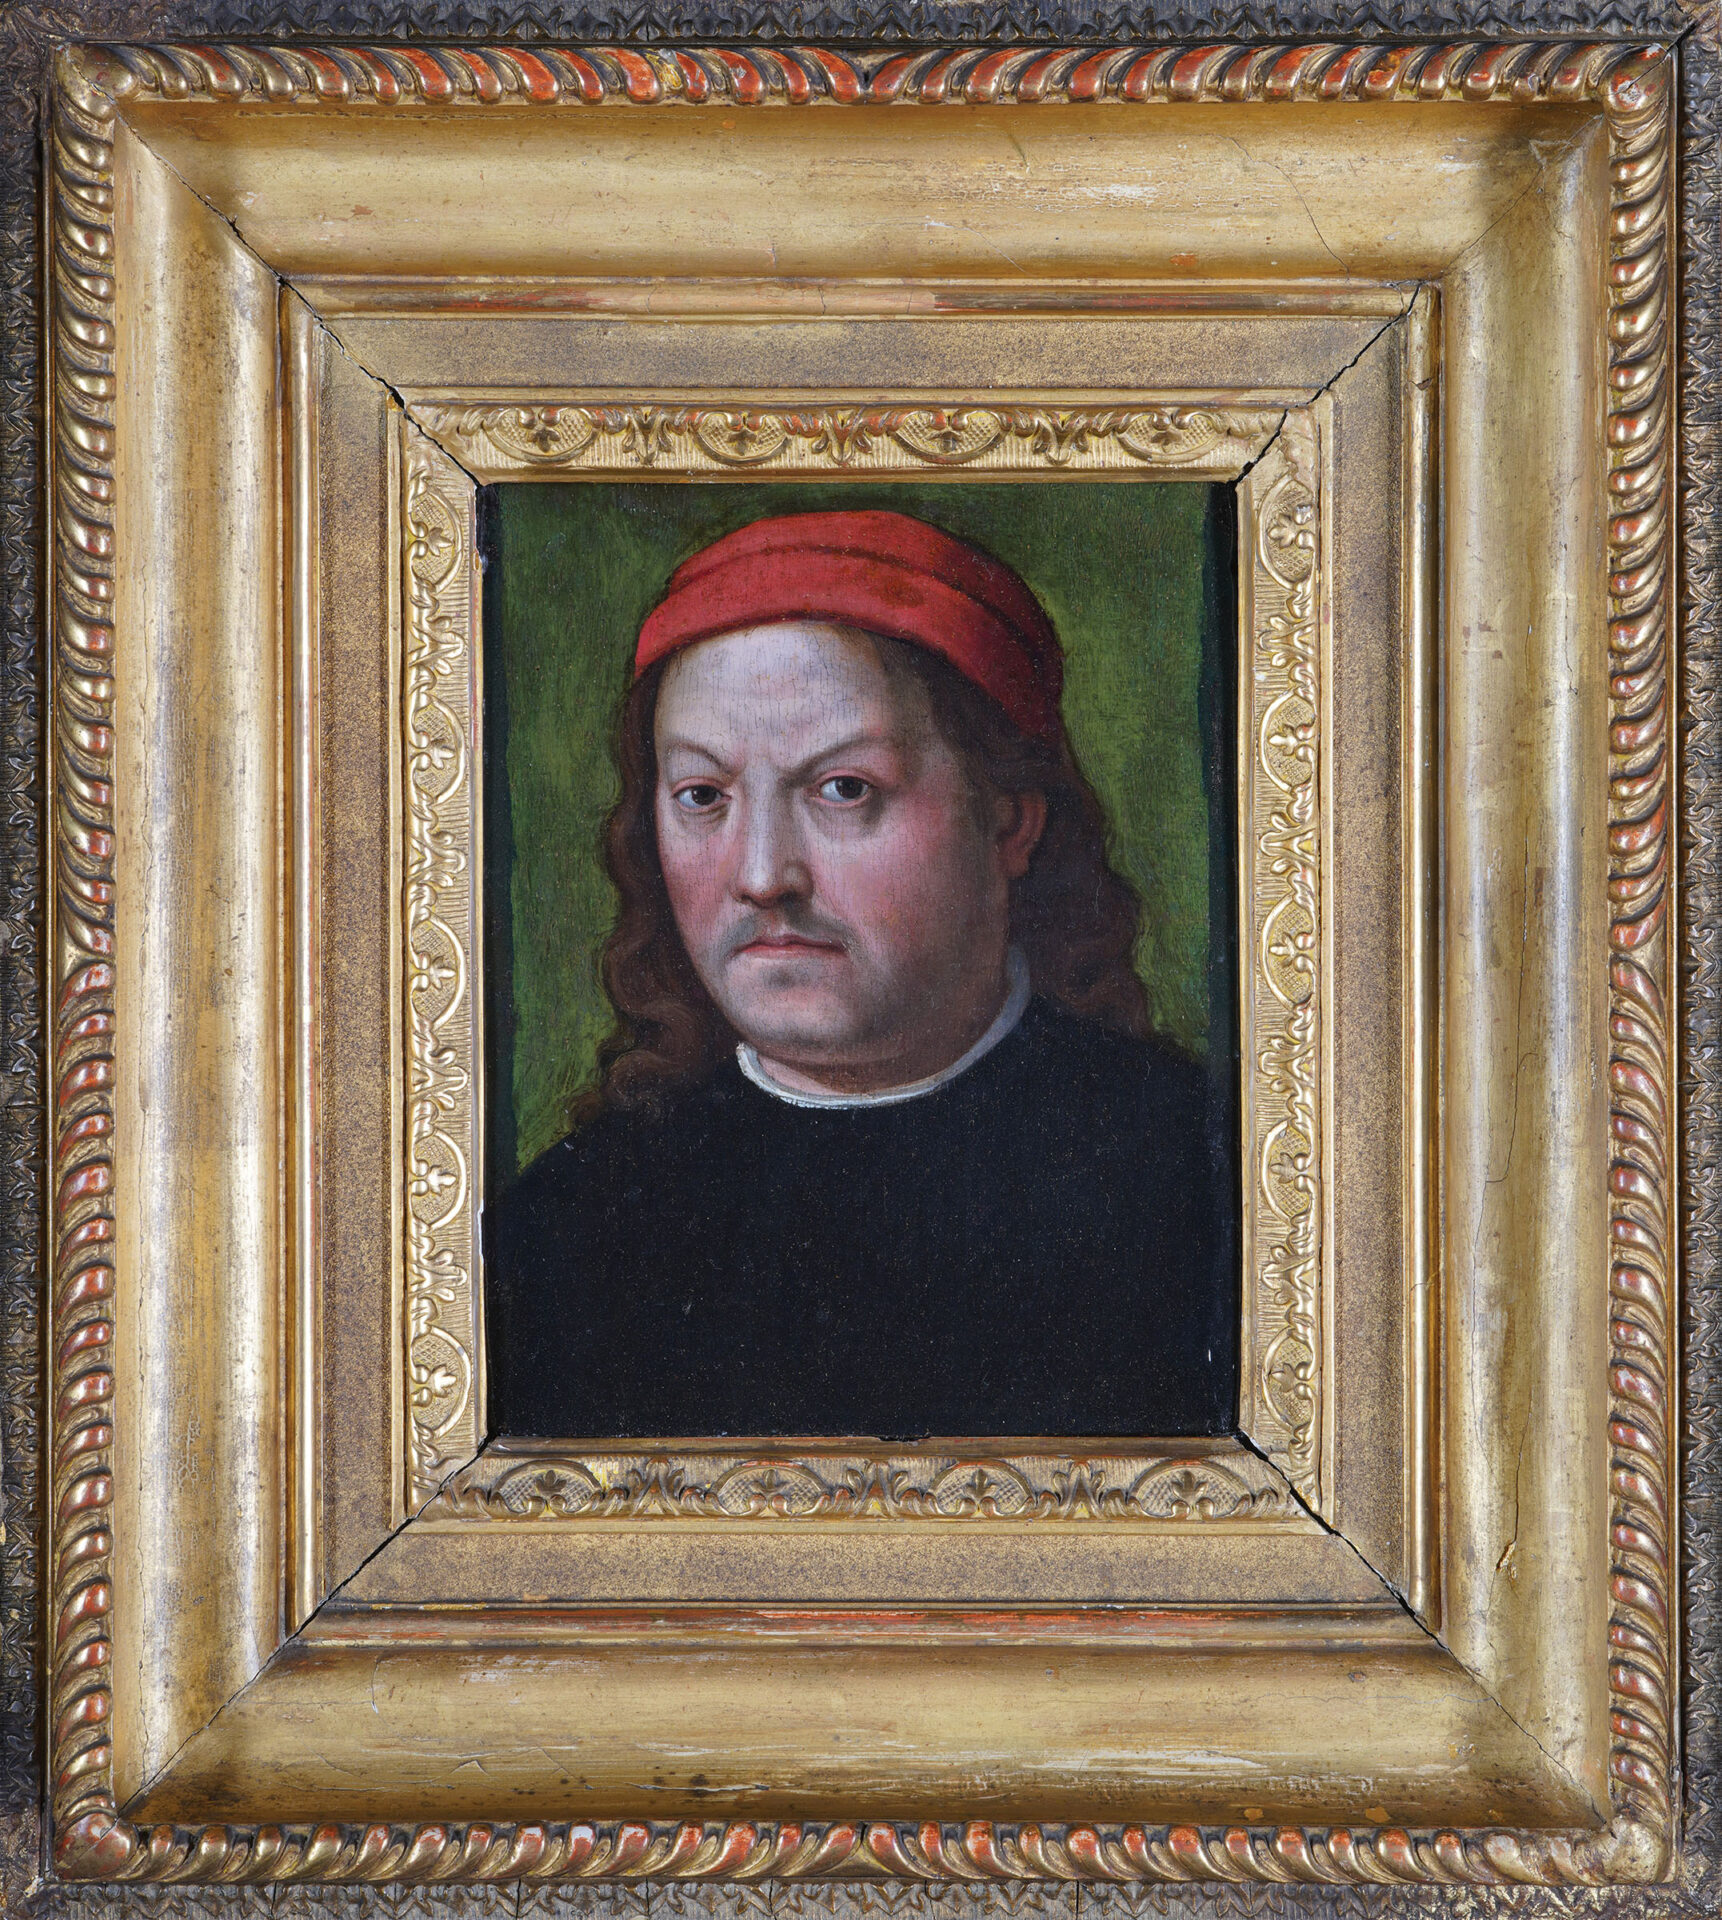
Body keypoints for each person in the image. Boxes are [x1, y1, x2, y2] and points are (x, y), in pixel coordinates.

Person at [484, 509, 1236, 1440]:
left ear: (1009, 823)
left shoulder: (1205, 1183)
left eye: (845, 789)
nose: (764, 875)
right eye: (703, 796)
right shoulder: (563, 1230)